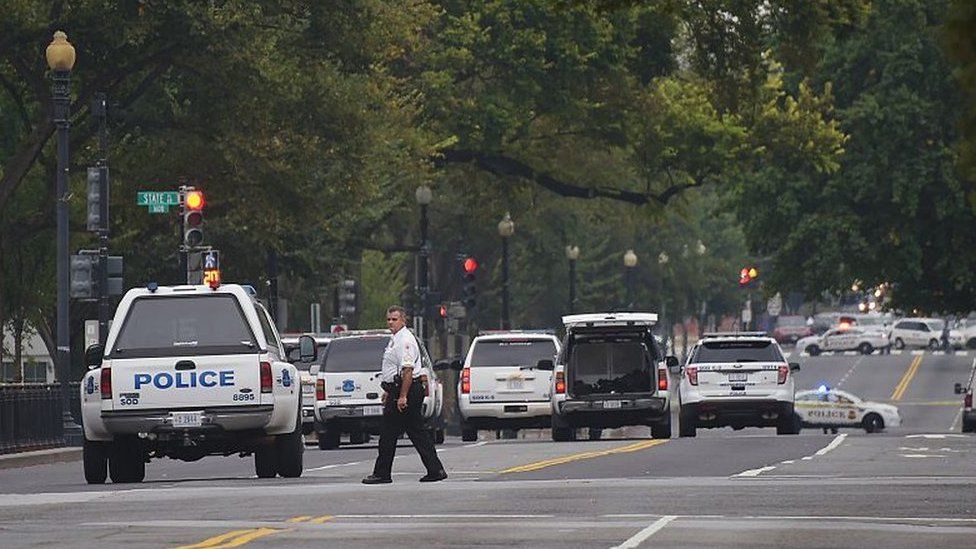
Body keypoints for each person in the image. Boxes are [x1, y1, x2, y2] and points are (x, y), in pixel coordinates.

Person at [362, 306, 447, 484]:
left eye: (394, 319)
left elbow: (407, 371)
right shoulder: (395, 339)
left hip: (407, 390)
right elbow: (394, 369)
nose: (391, 322)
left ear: (403, 320)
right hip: (399, 389)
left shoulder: (405, 340)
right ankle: (435, 469)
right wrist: (389, 390)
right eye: (389, 319)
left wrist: (402, 396)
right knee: (416, 432)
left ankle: (382, 473)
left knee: (388, 434)